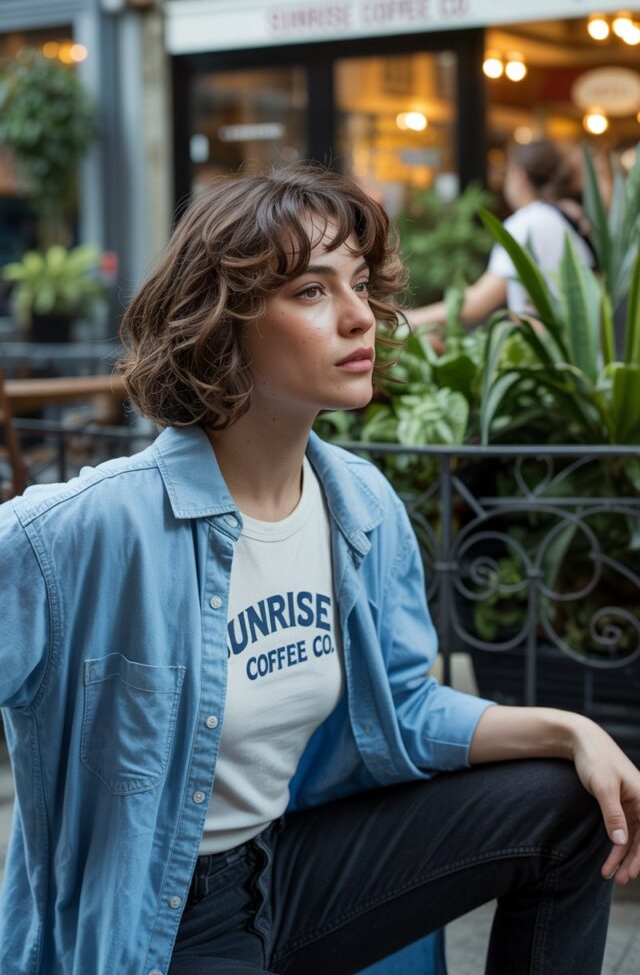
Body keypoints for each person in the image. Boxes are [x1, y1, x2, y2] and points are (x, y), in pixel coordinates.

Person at [0, 164, 638, 975]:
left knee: (573, 804)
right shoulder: (85, 531)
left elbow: (405, 709)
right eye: (311, 291)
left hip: (288, 872)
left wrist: (573, 730)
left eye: (360, 285)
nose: (359, 316)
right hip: (158, 925)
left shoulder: (359, 505)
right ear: (220, 322)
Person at [405, 140, 597, 332]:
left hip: (547, 348)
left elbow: (476, 303)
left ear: (519, 176)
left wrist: (407, 319)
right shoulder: (566, 217)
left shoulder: (526, 224)